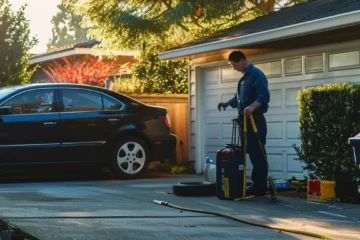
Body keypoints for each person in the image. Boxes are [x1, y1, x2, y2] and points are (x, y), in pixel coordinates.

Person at [218, 50, 270, 197]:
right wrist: (227, 103)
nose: (234, 68)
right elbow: (238, 99)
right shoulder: (243, 79)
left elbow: (264, 96)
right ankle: (253, 183)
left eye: (235, 65)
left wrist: (252, 107)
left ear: (242, 60)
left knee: (257, 153)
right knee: (249, 152)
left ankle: (259, 187)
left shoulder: (256, 74)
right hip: (244, 121)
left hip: (255, 120)